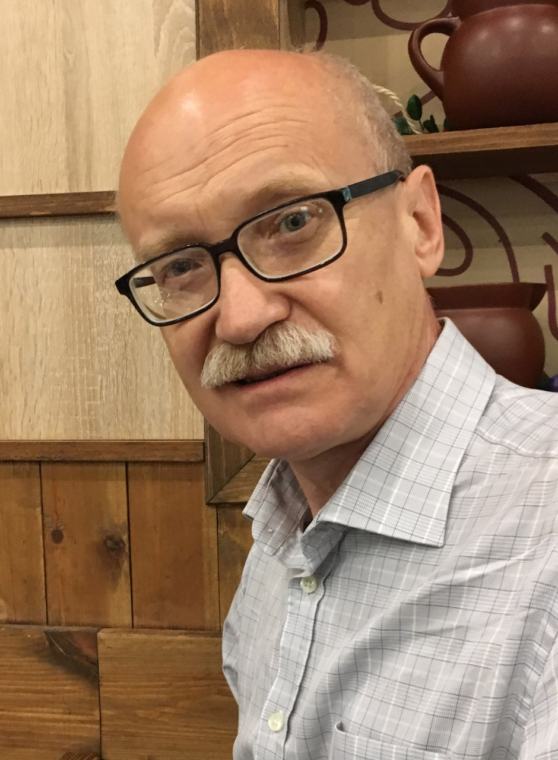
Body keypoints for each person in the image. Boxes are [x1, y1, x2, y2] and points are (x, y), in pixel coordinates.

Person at [116, 49, 558, 760]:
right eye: (181, 266)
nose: (240, 318)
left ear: (420, 222)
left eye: (293, 223)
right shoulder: (281, 534)